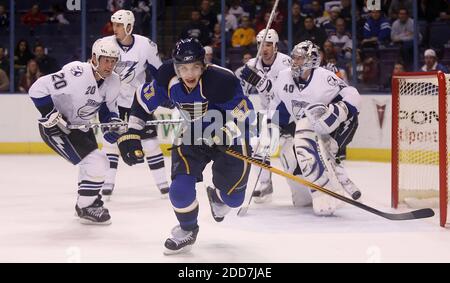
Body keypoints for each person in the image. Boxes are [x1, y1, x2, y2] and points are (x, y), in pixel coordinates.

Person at [117, 38, 254, 254]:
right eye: (183, 68)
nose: (189, 74)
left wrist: (224, 133)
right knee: (179, 191)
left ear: (204, 66)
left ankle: (218, 197)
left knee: (233, 199)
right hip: (192, 133)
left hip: (229, 134)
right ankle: (187, 229)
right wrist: (132, 132)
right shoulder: (166, 79)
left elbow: (246, 116)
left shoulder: (221, 81)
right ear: (175, 67)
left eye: (195, 67)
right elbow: (142, 102)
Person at [28, 39, 122, 224]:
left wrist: (111, 125)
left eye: (113, 61)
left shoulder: (114, 80)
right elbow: (37, 89)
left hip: (81, 126)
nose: (109, 65)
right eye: (106, 60)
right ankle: (85, 207)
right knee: (98, 162)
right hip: (56, 128)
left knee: (92, 163)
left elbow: (108, 110)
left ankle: (88, 201)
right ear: (94, 58)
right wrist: (51, 114)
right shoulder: (76, 73)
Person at [268, 40, 362, 214]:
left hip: (334, 127)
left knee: (304, 129)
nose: (294, 61)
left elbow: (353, 95)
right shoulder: (283, 77)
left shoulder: (324, 77)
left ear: (311, 60)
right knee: (287, 154)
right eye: (294, 57)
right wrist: (268, 126)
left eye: (300, 58)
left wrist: (339, 110)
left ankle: (325, 193)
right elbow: (277, 105)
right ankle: (304, 196)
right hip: (308, 128)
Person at [102, 9, 170, 198]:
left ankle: (163, 185)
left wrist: (166, 94)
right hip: (113, 102)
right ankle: (107, 184)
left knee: (150, 143)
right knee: (110, 142)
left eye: (118, 25)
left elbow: (159, 72)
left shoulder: (145, 45)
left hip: (138, 102)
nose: (114, 28)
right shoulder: (103, 45)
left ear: (129, 27)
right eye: (113, 24)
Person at [237, 28, 291, 203]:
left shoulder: (286, 63)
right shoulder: (252, 64)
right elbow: (241, 92)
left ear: (275, 46)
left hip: (288, 113)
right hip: (268, 113)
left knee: (290, 153)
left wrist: (261, 83)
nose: (264, 48)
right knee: (257, 144)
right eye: (260, 44)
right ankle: (265, 183)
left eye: (268, 44)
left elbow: (287, 94)